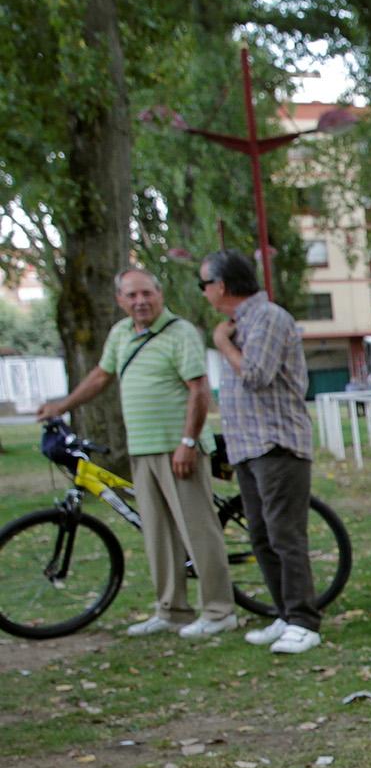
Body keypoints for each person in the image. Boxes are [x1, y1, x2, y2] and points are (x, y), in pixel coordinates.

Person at [37, 267, 237, 639]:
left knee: (198, 530)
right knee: (157, 534)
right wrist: (62, 405)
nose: (140, 301)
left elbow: (198, 390)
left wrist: (188, 443)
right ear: (120, 300)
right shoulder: (120, 334)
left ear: (160, 294)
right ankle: (172, 609)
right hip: (142, 449)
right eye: (131, 295)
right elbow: (100, 376)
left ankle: (219, 610)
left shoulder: (180, 333)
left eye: (146, 293)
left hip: (179, 448)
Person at [202, 250, 323, 654]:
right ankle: (285, 614)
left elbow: (256, 375)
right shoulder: (241, 324)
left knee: (286, 535)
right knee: (261, 536)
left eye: (205, 284)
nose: (204, 293)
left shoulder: (268, 318)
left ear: (222, 286)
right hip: (248, 449)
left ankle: (305, 621)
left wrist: (222, 344)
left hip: (277, 445)